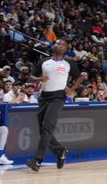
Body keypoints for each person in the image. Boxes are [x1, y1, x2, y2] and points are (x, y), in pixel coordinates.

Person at [26, 39, 88, 172]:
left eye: (62, 45)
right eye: (57, 44)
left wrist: (72, 89)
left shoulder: (69, 63)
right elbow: (30, 78)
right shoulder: (44, 62)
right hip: (43, 97)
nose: (59, 46)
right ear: (53, 46)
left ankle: (37, 160)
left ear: (66, 49)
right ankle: (60, 151)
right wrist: (39, 79)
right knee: (43, 130)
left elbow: (79, 77)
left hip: (58, 97)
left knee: (47, 127)